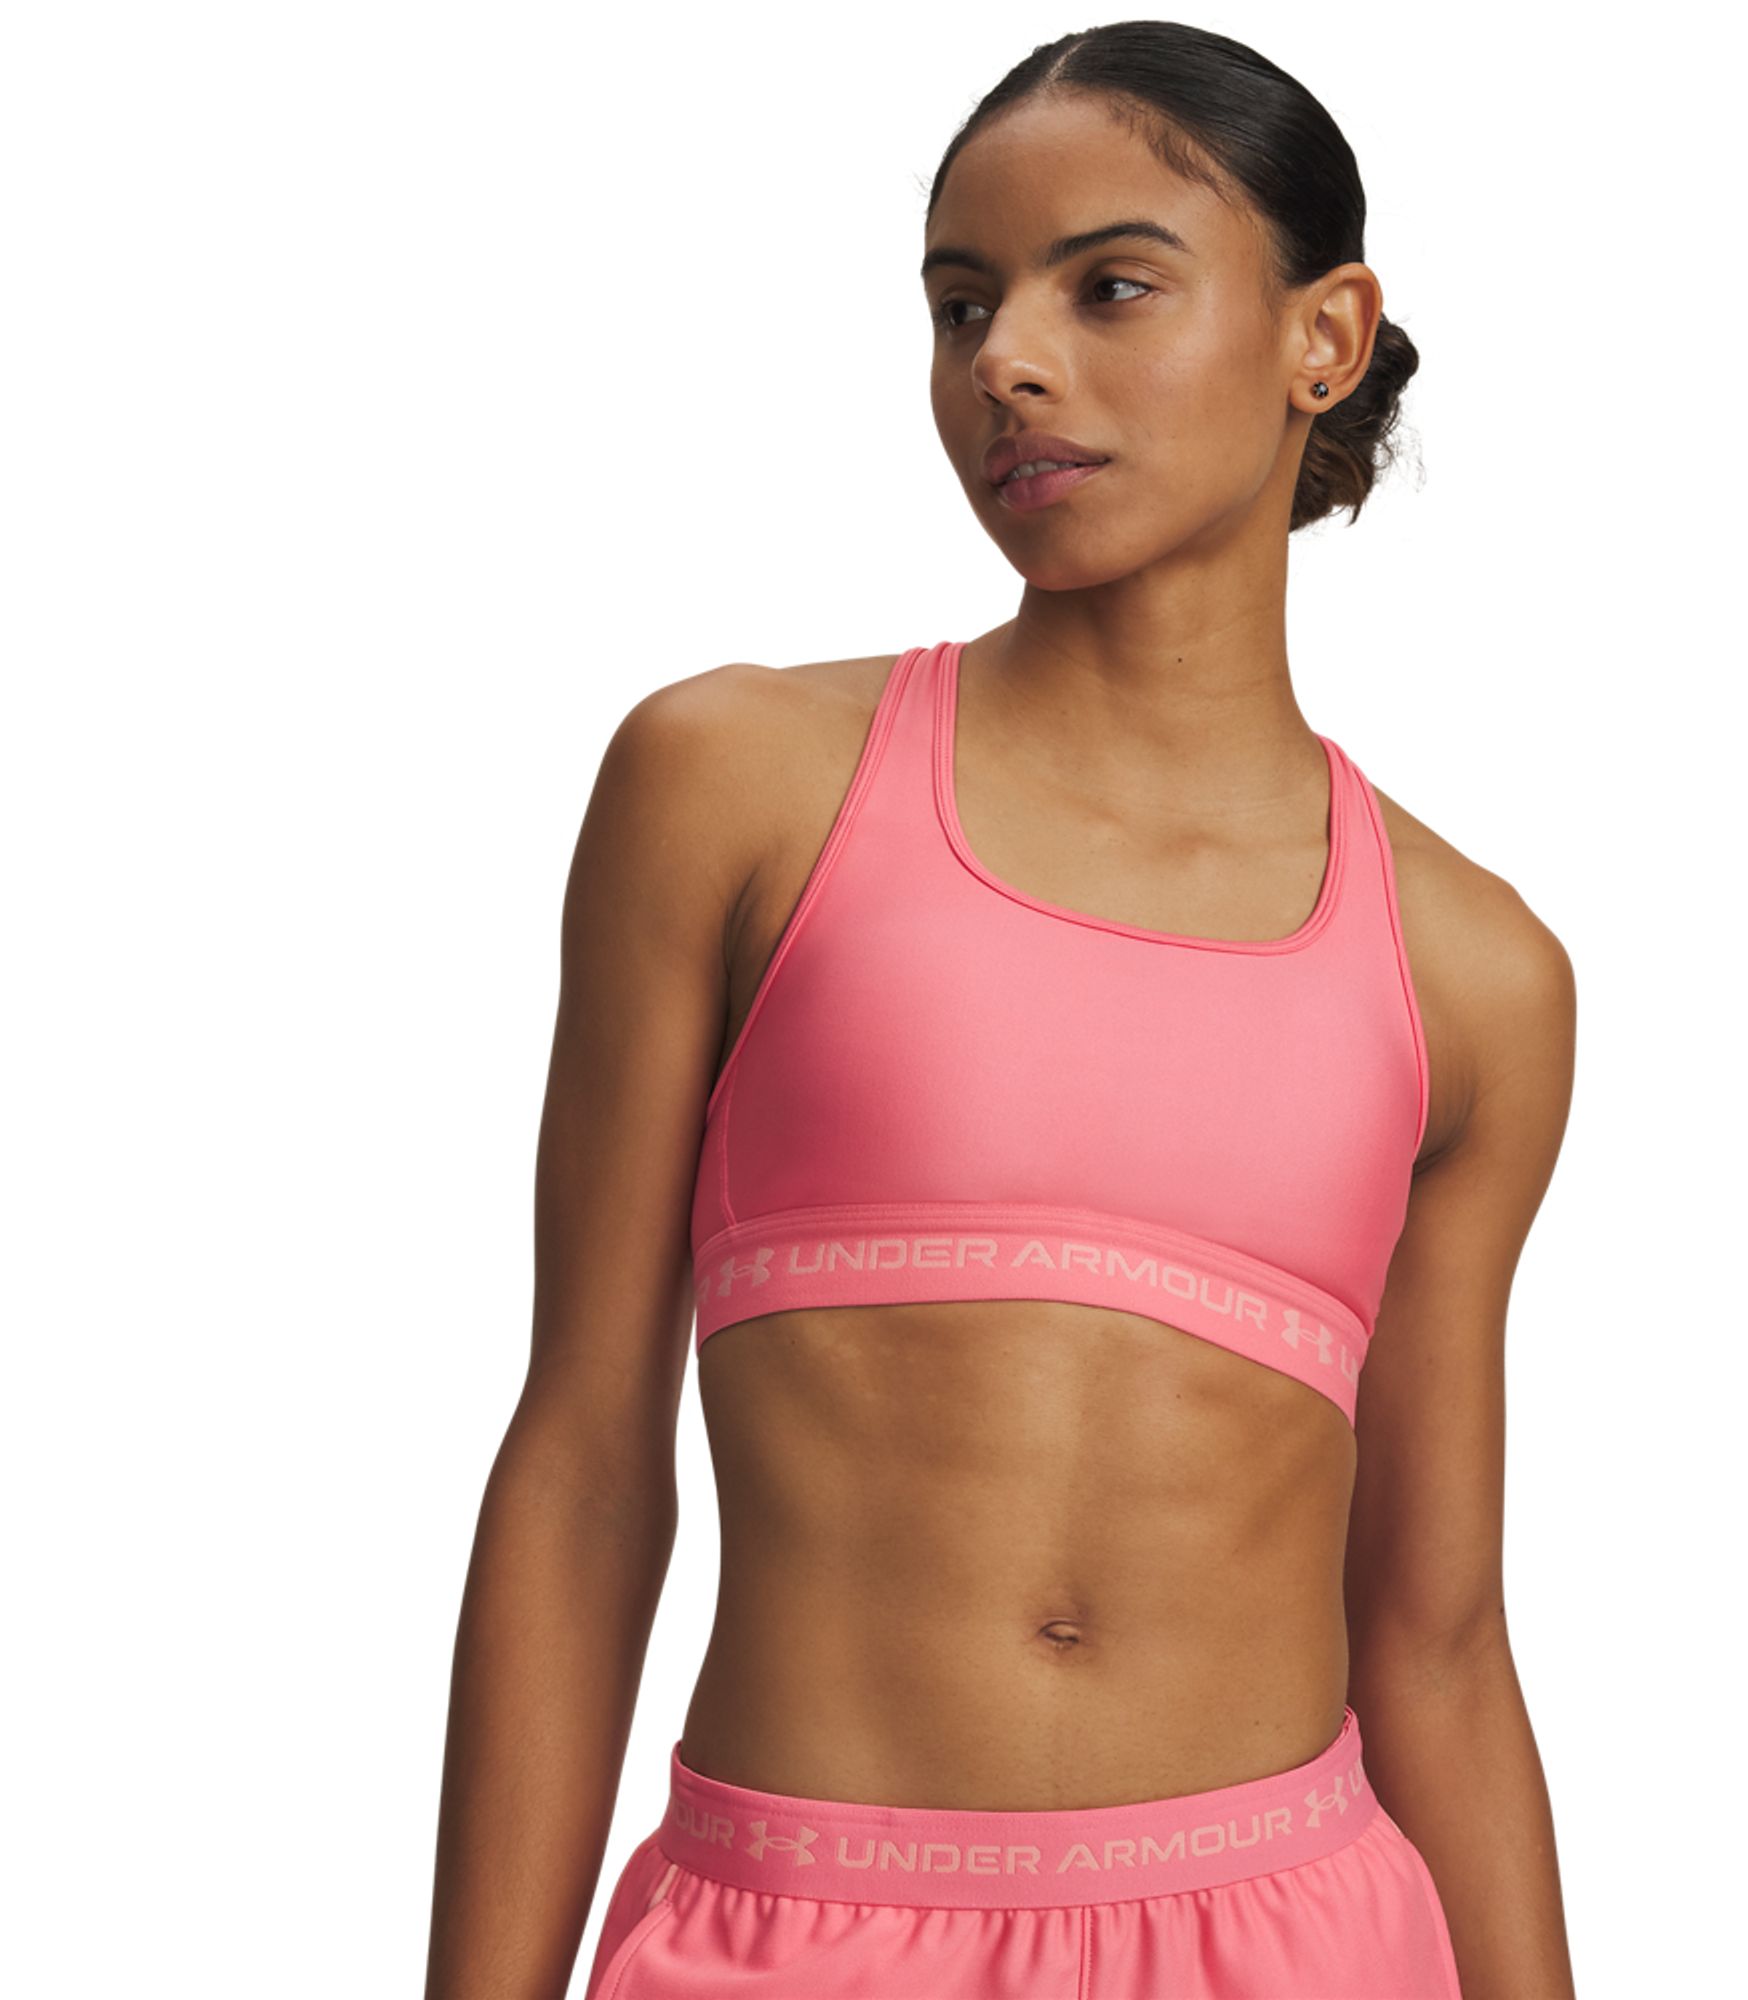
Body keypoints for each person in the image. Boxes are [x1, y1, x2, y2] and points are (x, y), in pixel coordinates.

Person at [427, 21, 1577, 1999]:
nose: (1005, 364)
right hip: (795, 1933)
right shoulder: (735, 787)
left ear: (1323, 337)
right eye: (962, 305)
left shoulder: (1474, 972)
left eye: (1107, 286)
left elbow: (1439, 1639)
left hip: (1295, 1939)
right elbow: (586, 1468)